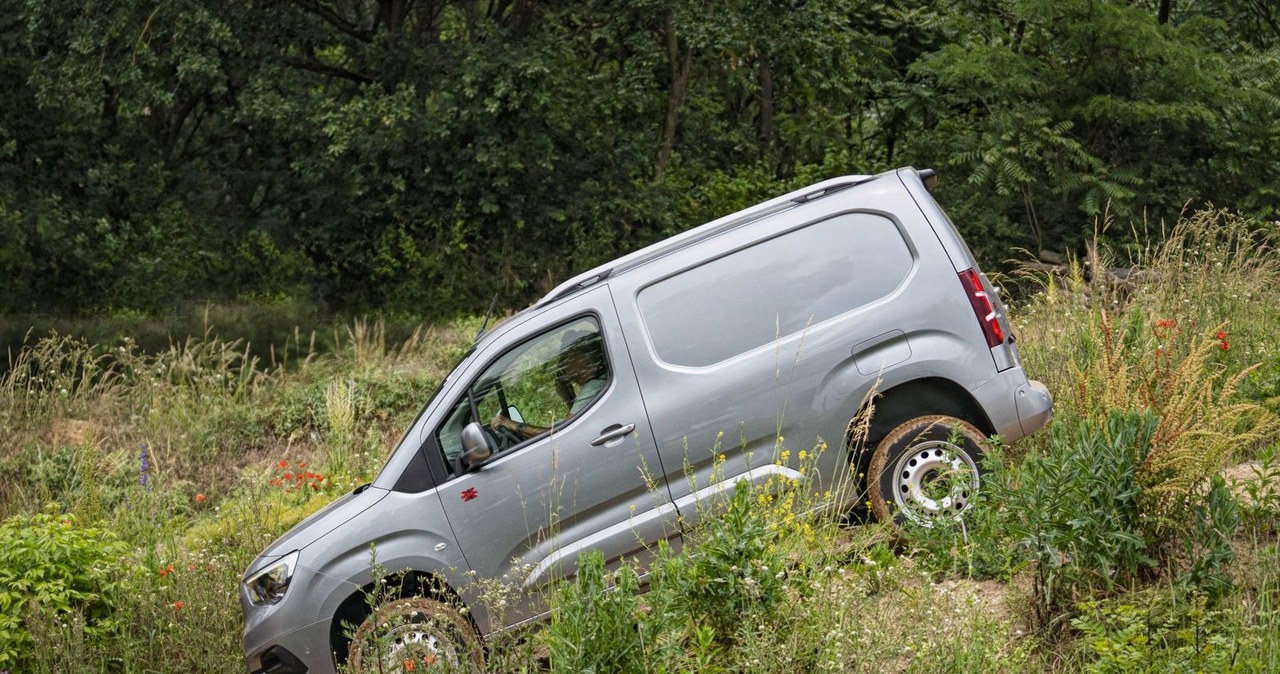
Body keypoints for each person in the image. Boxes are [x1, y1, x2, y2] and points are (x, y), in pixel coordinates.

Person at [490, 329, 607, 441]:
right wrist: (568, 396)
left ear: (583, 359)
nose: (562, 364)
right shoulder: (599, 382)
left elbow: (561, 434)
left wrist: (510, 424)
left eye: (566, 357)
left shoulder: (594, 387)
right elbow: (578, 422)